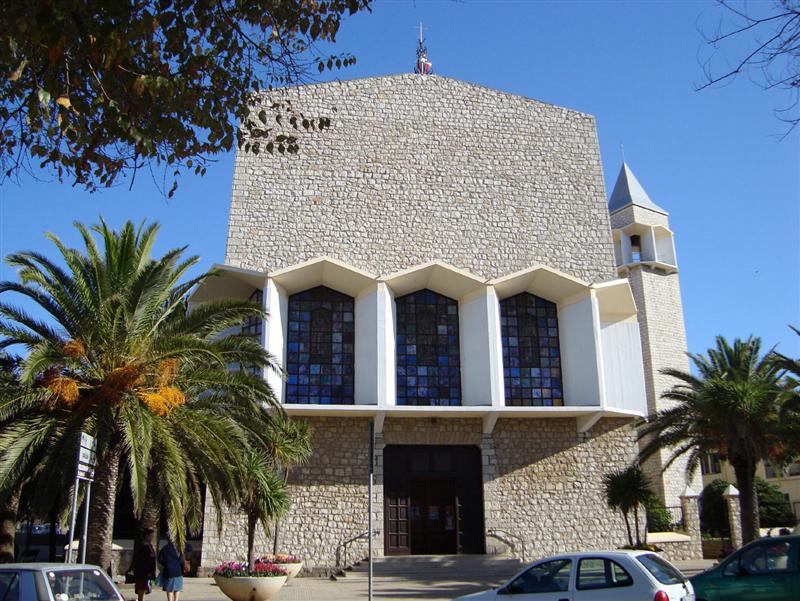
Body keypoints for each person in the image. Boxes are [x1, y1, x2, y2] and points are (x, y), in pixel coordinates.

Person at [133, 527, 156, 601]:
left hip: (146, 572)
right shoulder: (144, 545)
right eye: (151, 536)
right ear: (147, 535)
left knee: (144, 588)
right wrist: (148, 571)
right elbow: (144, 560)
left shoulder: (149, 545)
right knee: (141, 588)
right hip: (142, 572)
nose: (152, 537)